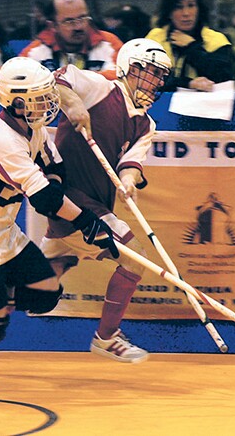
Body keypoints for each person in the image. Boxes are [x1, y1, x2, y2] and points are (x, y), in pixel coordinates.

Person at [0, 57, 120, 390]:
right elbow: (46, 200)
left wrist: (59, 190)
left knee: (46, 294)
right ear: (15, 101)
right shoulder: (2, 141)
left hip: (5, 231)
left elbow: (55, 168)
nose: (48, 103)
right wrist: (89, 222)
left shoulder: (31, 128)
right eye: (39, 97)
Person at [37, 38, 172, 364]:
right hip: (73, 199)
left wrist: (128, 182)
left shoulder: (146, 123)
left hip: (95, 204)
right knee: (135, 258)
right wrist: (73, 104)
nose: (155, 83)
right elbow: (58, 79)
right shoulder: (100, 87)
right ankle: (106, 338)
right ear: (129, 67)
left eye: (159, 78)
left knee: (40, 284)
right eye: (150, 73)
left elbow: (132, 162)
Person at [146, 0, 235, 92]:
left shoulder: (216, 40)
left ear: (199, 9)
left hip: (208, 106)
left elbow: (225, 79)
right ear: (169, 12)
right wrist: (189, 83)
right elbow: (145, 78)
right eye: (178, 7)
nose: (186, 13)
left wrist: (192, 48)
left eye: (191, 5)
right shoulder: (155, 39)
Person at [19, 0, 124, 80]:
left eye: (82, 18)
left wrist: (71, 82)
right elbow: (15, 78)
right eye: (69, 21)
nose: (78, 27)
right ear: (53, 25)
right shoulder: (37, 50)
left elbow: (123, 79)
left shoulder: (109, 43)